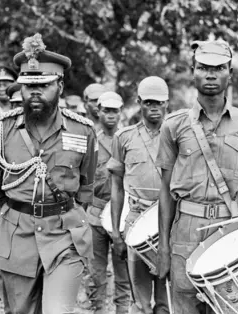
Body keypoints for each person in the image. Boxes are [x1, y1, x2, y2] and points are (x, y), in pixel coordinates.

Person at [0, 33, 97, 314]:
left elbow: (86, 187)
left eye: (43, 86)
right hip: (16, 237)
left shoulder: (83, 131)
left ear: (59, 85)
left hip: (64, 236)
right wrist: (22, 212)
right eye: (28, 86)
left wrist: (57, 210)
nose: (35, 93)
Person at [156, 40, 238, 314]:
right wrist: (163, 248)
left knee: (233, 306)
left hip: (231, 230)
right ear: (192, 71)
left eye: (218, 68)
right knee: (185, 304)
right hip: (186, 233)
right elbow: (165, 190)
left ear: (230, 72)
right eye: (203, 67)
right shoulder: (173, 125)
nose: (210, 74)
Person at [108, 77, 170, 314]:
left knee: (167, 298)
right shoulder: (124, 137)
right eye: (148, 102)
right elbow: (116, 186)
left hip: (168, 220)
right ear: (139, 102)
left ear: (167, 103)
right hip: (136, 219)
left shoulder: (176, 134)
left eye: (160, 103)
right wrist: (116, 233)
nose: (154, 107)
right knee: (140, 298)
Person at [85, 91, 132, 314]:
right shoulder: (90, 138)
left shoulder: (128, 139)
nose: (111, 115)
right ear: (98, 112)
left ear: (121, 112)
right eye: (106, 110)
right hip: (95, 211)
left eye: (115, 111)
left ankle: (123, 310)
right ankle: (98, 310)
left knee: (125, 272)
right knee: (96, 272)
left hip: (122, 212)